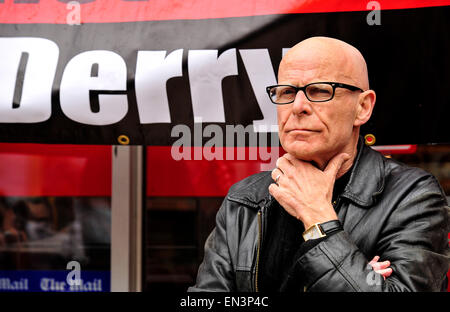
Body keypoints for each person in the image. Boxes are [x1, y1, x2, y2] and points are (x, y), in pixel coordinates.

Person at [188, 37, 450, 292]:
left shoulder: (412, 197)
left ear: (363, 107)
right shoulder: (245, 200)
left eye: (320, 90)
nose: (298, 106)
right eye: (287, 92)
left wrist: (319, 221)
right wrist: (354, 276)